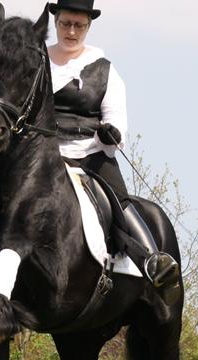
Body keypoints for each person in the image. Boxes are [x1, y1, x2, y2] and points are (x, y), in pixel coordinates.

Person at [46, 0, 179, 291]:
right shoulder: (36, 63)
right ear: (55, 22)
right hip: (45, 154)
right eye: (65, 23)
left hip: (90, 154)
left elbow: (117, 120)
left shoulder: (105, 70)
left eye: (78, 25)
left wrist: (111, 134)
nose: (71, 31)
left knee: (119, 199)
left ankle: (152, 260)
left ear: (89, 26)